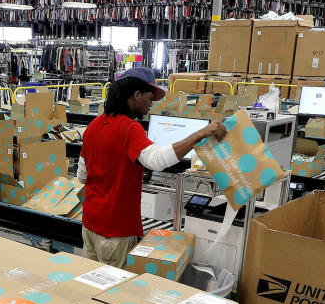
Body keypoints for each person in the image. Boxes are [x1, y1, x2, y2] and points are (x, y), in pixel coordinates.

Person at [78, 67, 226, 267]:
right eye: (149, 98)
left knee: (91, 281)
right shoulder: (130, 128)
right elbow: (157, 160)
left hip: (90, 225)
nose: (151, 105)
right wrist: (200, 134)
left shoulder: (93, 126)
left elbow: (82, 176)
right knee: (113, 291)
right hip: (116, 231)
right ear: (136, 95)